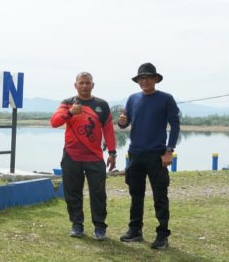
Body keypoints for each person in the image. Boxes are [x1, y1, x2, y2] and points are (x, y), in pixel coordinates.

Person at [117, 62, 180, 250]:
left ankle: (162, 235)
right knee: (136, 194)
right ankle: (135, 230)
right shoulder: (132, 99)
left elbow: (175, 126)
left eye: (148, 77)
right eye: (141, 78)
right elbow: (124, 124)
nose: (144, 81)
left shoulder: (166, 99)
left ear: (155, 79)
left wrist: (169, 151)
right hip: (135, 153)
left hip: (157, 154)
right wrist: (121, 122)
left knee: (160, 195)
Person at [50, 72, 117, 240]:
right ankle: (77, 224)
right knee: (72, 192)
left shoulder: (102, 105)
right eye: (81, 83)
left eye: (88, 83)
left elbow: (108, 130)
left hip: (94, 157)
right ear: (76, 85)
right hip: (72, 155)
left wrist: (112, 152)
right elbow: (54, 122)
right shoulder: (67, 103)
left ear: (93, 85)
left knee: (98, 193)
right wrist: (71, 113)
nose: (85, 86)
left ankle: (100, 227)